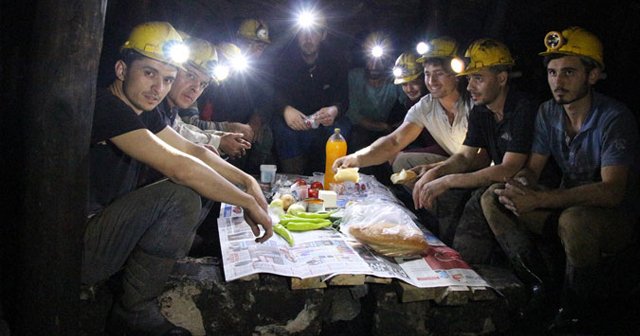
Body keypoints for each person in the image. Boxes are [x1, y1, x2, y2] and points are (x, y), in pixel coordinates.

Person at [83, 22, 272, 335]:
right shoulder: (108, 106)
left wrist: (247, 183)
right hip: (77, 248)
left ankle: (150, 271)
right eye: (149, 73)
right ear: (121, 69)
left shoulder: (145, 111)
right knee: (181, 194)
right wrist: (246, 201)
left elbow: (195, 152)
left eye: (167, 78)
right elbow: (179, 166)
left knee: (206, 177)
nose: (158, 87)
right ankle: (134, 311)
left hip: (107, 230)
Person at [480, 27, 639, 330]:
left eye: (568, 72)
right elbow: (533, 169)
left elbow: (612, 191)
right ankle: (540, 285)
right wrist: (521, 184)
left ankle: (575, 309)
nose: (558, 82)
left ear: (592, 76)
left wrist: (541, 199)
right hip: (565, 205)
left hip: (611, 218)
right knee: (494, 197)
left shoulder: (614, 118)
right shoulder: (548, 113)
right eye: (552, 73)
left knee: (574, 221)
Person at [410, 38, 538, 262]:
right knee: (450, 193)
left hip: (529, 183)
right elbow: (465, 156)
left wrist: (448, 180)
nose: (469, 87)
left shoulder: (522, 108)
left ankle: (527, 274)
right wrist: (436, 173)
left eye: (478, 78)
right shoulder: (482, 110)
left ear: (501, 78)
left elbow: (508, 168)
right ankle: (452, 257)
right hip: (504, 179)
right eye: (468, 78)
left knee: (482, 198)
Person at [333, 37, 471, 180]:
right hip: (454, 163)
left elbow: (474, 159)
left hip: (477, 168)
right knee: (402, 162)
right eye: (427, 74)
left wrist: (435, 171)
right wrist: (356, 158)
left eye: (439, 73)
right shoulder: (425, 106)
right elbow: (394, 141)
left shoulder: (473, 105)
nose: (431, 81)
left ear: (457, 74)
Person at [271, 10, 349, 175]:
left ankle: (331, 181)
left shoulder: (335, 59)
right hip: (294, 116)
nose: (308, 39)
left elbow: (343, 97)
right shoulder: (284, 60)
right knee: (284, 132)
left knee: (341, 130)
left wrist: (334, 110)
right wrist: (285, 109)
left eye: (314, 33)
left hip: (324, 117)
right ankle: (293, 182)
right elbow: (271, 91)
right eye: (303, 33)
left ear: (323, 35)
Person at [153, 34, 251, 161]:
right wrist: (219, 139)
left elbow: (179, 128)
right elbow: (182, 128)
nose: (196, 88)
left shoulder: (170, 110)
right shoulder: (152, 106)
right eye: (190, 76)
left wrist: (219, 137)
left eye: (203, 84)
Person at [345, 32, 406, 154]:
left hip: (386, 127)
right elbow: (354, 114)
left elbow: (409, 104)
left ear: (389, 60)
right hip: (359, 127)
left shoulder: (394, 80)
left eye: (380, 61)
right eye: (370, 59)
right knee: (358, 141)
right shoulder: (354, 76)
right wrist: (383, 126)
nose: (374, 66)